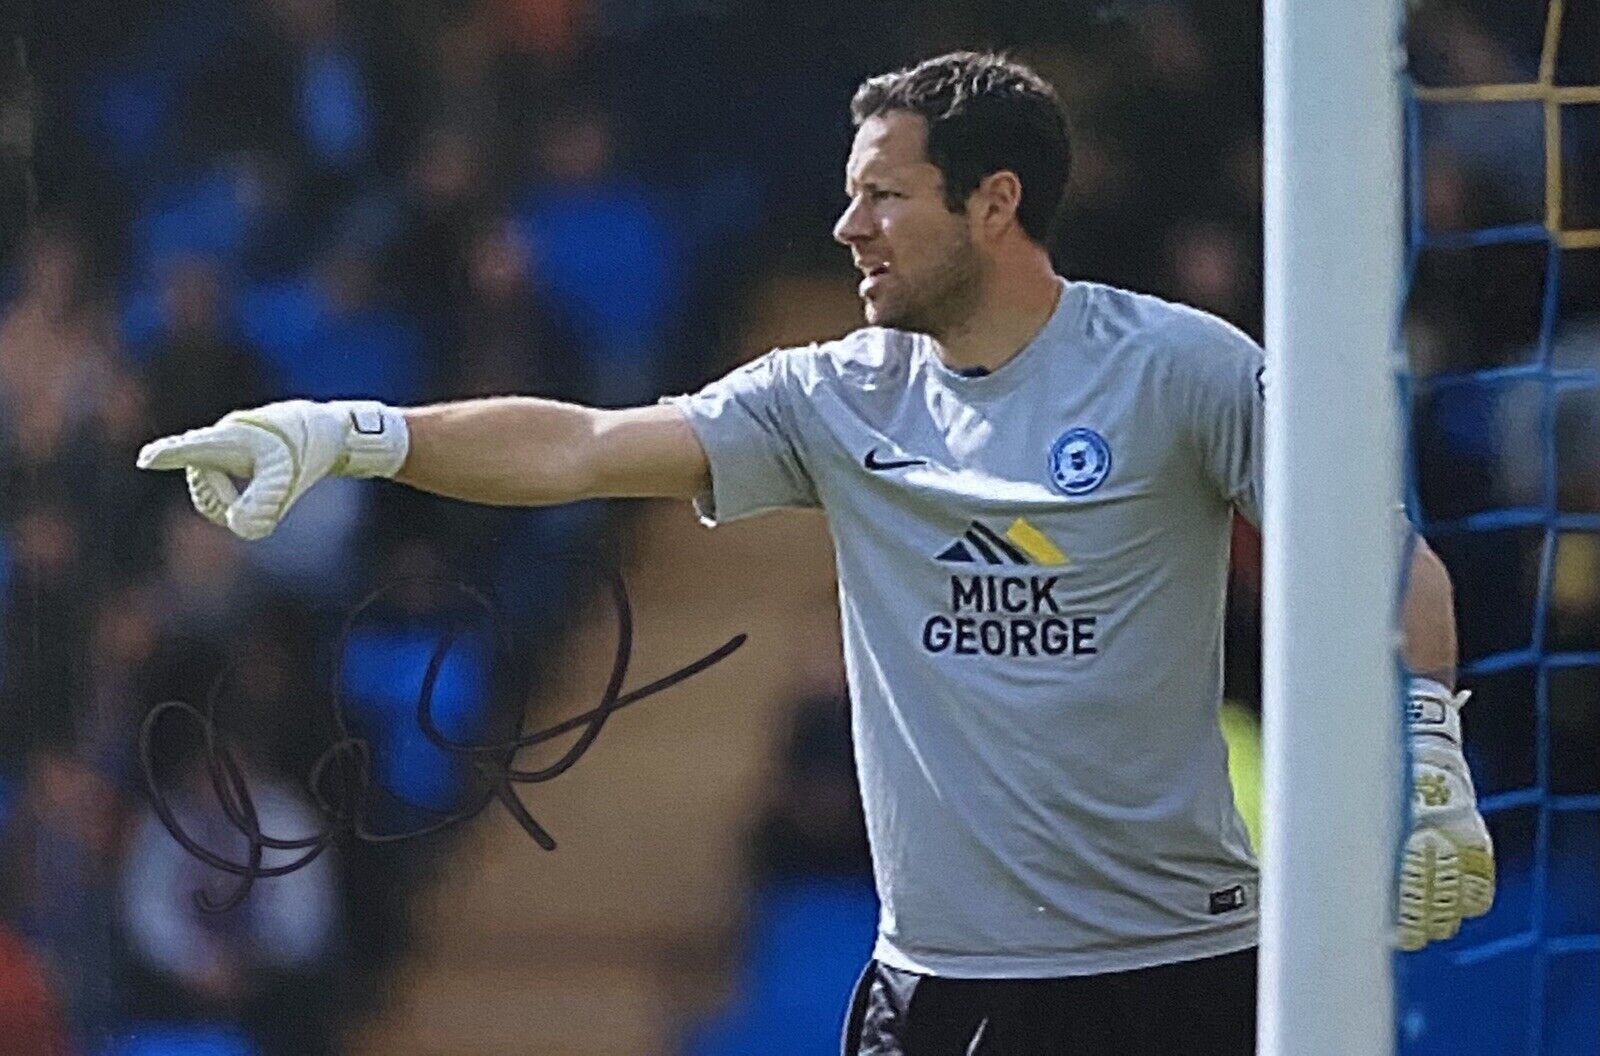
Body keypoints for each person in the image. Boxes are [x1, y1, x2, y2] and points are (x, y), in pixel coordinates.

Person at [137, 51, 1494, 1056]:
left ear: (995, 204)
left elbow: (1389, 557)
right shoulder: (838, 395)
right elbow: (585, 445)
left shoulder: (1181, 370)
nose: (846, 229)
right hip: (933, 987)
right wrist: (351, 430)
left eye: (882, 198)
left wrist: (1433, 762)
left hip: (1169, 979)